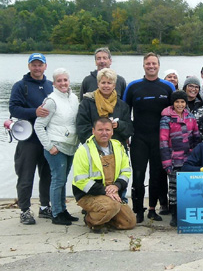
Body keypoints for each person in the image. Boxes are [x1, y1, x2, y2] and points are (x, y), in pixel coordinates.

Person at [123, 52, 175, 223]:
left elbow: (174, 113)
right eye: (148, 64)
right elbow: (125, 113)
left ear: (159, 66)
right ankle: (137, 210)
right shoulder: (133, 87)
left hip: (159, 139)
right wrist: (126, 135)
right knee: (138, 174)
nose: (151, 66)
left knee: (157, 175)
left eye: (154, 63)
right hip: (139, 138)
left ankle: (152, 209)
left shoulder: (168, 87)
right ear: (143, 65)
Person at [9, 53, 53, 224]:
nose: (37, 68)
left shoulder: (51, 86)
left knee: (47, 175)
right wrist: (34, 112)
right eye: (34, 65)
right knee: (26, 176)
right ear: (29, 66)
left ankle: (44, 207)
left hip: (47, 139)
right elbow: (14, 109)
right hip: (28, 140)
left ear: (45, 66)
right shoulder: (20, 86)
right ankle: (25, 210)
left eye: (40, 65)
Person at [33, 68, 80, 225]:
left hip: (70, 145)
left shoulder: (73, 98)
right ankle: (56, 213)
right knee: (58, 180)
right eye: (59, 81)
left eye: (65, 80)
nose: (63, 83)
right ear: (53, 83)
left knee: (63, 179)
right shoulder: (51, 101)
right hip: (56, 147)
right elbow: (38, 126)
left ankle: (62, 210)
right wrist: (49, 146)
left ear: (69, 81)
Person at [72, 118, 136, 232]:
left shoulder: (118, 147)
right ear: (93, 131)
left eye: (107, 129)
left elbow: (126, 171)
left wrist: (117, 186)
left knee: (129, 222)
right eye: (100, 130)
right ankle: (90, 220)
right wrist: (105, 190)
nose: (104, 133)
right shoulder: (83, 150)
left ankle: (105, 218)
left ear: (112, 131)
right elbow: (81, 180)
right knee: (111, 207)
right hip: (89, 194)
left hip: (111, 192)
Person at [159, 90, 201, 227]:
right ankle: (175, 214)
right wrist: (166, 162)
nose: (180, 104)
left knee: (188, 187)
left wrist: (195, 156)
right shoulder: (166, 118)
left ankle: (187, 211)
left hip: (188, 158)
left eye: (182, 102)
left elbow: (196, 137)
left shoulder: (191, 117)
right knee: (174, 188)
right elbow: (163, 140)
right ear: (173, 102)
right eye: (177, 102)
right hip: (173, 158)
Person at [76, 68, 133, 145]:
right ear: (98, 84)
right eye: (103, 82)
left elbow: (129, 130)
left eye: (109, 83)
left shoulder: (122, 106)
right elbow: (82, 128)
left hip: (117, 147)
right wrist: (100, 141)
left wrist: (119, 125)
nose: (106, 86)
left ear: (114, 85)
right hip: (94, 147)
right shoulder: (86, 104)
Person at [183, 76, 203, 140]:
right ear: (185, 87)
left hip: (198, 144)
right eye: (191, 86)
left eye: (196, 87)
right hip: (181, 143)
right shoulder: (178, 105)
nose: (193, 89)